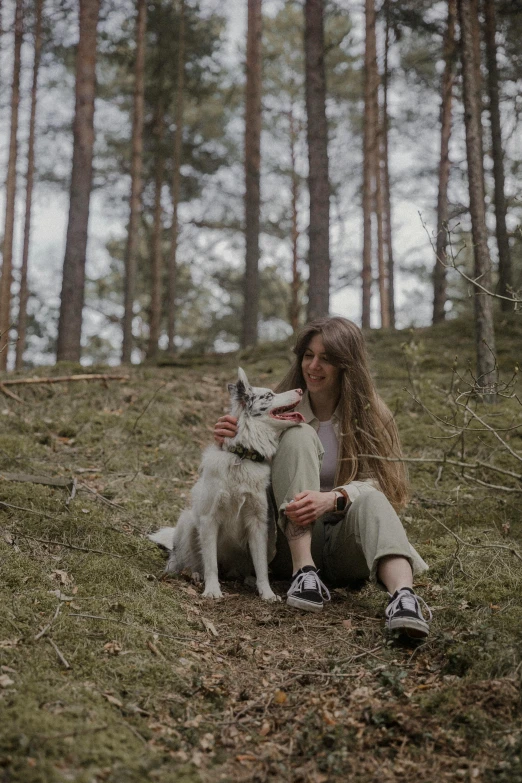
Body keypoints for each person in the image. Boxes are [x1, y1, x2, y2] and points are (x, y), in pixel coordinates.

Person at [214, 317, 432, 639]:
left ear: (347, 364)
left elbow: (387, 487)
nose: (313, 366)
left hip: (347, 546)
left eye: (326, 358)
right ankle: (305, 574)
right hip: (290, 544)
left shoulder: (373, 416)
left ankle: (403, 599)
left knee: (370, 496)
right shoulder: (277, 411)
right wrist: (231, 443)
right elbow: (244, 475)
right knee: (299, 434)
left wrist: (333, 498)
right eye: (308, 355)